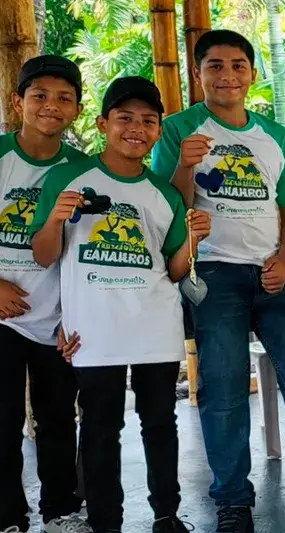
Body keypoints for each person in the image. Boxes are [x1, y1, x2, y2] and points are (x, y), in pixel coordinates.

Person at [148, 29, 285, 533]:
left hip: (273, 273)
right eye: (214, 66)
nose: (226, 75)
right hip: (213, 276)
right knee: (224, 391)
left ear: (251, 74)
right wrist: (184, 167)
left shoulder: (274, 134)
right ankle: (232, 503)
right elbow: (164, 208)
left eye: (237, 65)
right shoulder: (177, 130)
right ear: (198, 73)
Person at [29, 76, 202, 533]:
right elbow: (45, 254)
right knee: (101, 430)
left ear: (158, 130)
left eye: (148, 121)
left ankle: (167, 514)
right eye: (124, 118)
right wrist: (56, 217)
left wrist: (194, 241)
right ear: (104, 123)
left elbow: (174, 268)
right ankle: (107, 521)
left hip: (155, 327)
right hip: (94, 330)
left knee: (160, 425)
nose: (136, 128)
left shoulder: (164, 193)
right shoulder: (68, 179)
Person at [0, 55, 89, 533]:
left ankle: (61, 512)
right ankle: (8, 517)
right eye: (39, 96)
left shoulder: (83, 170)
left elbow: (87, 252)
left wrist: (73, 315)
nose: (51, 106)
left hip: (58, 319)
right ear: (18, 102)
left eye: (63, 98)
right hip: (2, 317)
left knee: (58, 421)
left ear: (76, 109)